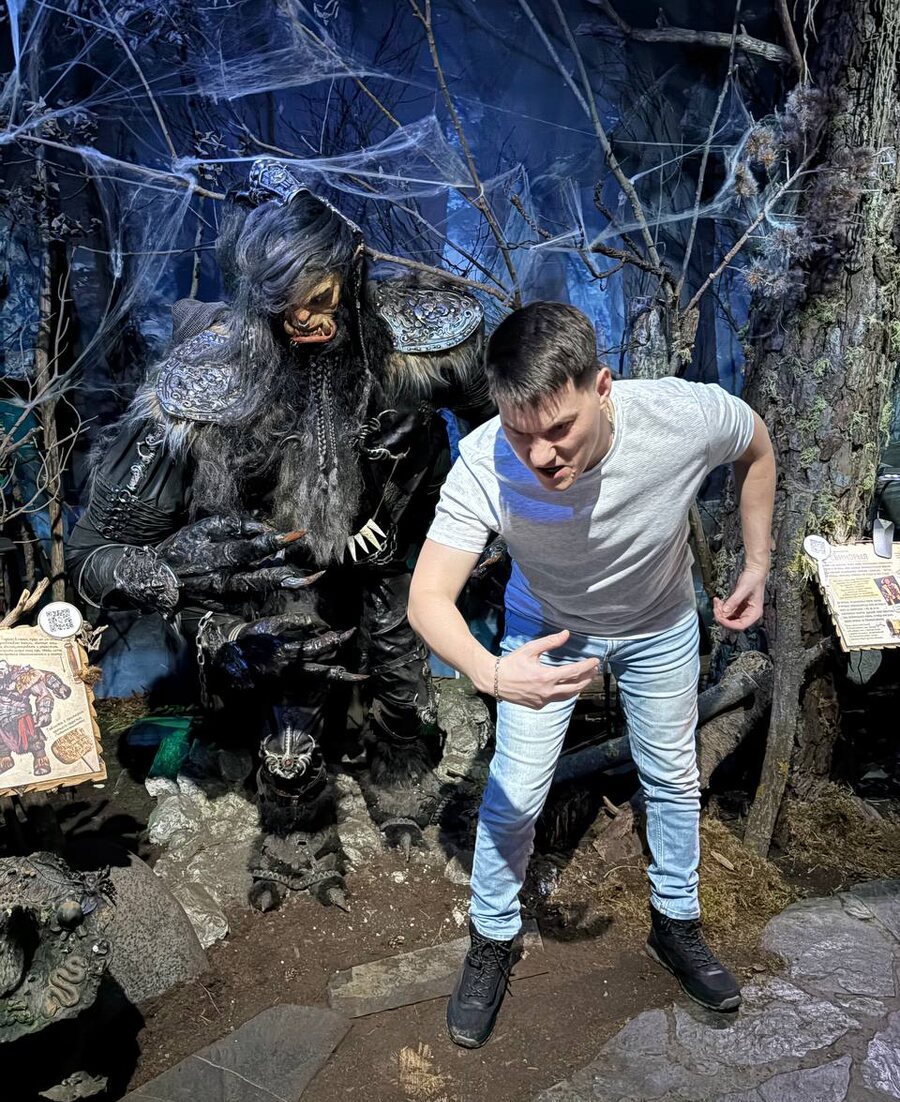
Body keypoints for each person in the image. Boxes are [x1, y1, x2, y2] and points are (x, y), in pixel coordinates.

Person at [68, 158, 493, 909]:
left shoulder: (421, 342)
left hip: (395, 540)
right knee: (288, 681)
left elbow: (506, 427)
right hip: (276, 566)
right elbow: (93, 553)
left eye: (320, 298)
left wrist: (489, 534)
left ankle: (399, 770)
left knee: (400, 659)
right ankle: (296, 836)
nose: (305, 321)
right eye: (283, 306)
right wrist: (167, 569)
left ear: (352, 274)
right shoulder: (206, 386)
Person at [408, 301, 776, 1048]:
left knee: (671, 774)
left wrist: (758, 564)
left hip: (658, 622)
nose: (541, 455)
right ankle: (492, 936)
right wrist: (490, 672)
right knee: (516, 789)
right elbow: (427, 597)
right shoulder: (486, 460)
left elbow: (757, 446)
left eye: (559, 429)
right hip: (546, 630)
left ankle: (676, 923)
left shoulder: (679, 416)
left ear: (602, 388)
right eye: (521, 432)